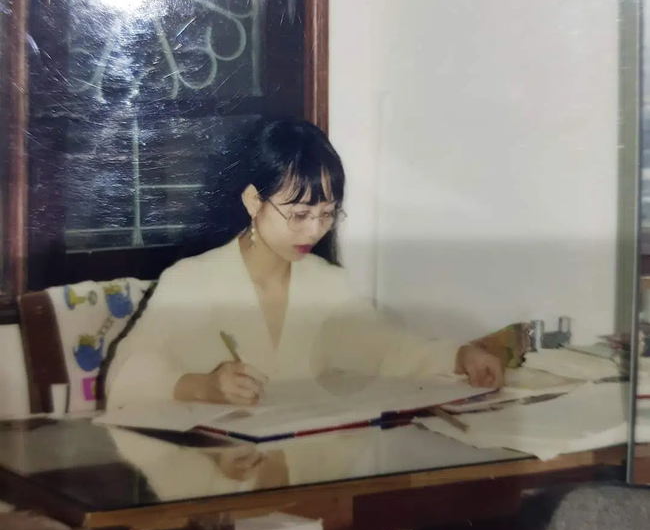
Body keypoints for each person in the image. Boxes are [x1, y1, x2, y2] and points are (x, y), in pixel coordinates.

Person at [103, 116, 503, 411]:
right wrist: (202, 387)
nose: (314, 231)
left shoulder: (328, 284)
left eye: (327, 214)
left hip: (302, 467)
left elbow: (387, 348)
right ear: (253, 201)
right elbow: (122, 377)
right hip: (215, 474)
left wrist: (459, 357)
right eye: (299, 215)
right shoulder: (191, 282)